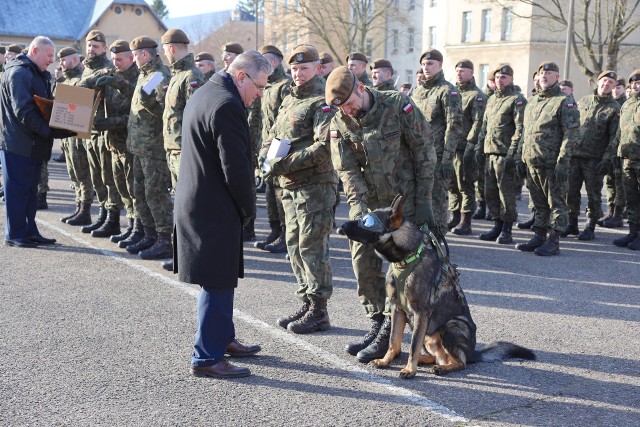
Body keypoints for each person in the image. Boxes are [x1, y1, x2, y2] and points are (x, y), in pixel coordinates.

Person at [326, 66, 436, 362]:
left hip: (405, 206)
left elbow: (424, 150)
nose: (348, 111)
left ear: (360, 88)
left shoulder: (398, 105)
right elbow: (346, 168)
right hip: (371, 204)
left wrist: (425, 200)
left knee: (403, 270)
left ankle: (391, 330)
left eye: (350, 103)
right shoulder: (340, 120)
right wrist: (360, 208)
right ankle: (377, 322)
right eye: (342, 108)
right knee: (362, 262)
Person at [175, 50, 270, 378]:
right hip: (214, 205)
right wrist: (249, 208)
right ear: (241, 76)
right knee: (217, 281)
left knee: (221, 277)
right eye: (259, 87)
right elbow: (235, 168)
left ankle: (223, 338)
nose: (260, 95)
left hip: (200, 199)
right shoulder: (228, 105)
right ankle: (207, 356)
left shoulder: (205, 92)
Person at [262, 44, 337, 334]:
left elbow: (324, 147)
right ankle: (307, 300)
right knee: (293, 245)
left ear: (318, 69)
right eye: (294, 68)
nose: (298, 73)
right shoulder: (290, 99)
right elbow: (273, 135)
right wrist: (266, 158)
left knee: (312, 246)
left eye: (304, 68)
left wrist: (285, 163)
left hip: (314, 186)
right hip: (289, 186)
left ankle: (319, 310)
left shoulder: (323, 102)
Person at [0, 36, 75, 247]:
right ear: (34, 51)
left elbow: (44, 106)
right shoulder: (19, 73)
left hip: (32, 144)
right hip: (18, 144)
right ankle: (15, 234)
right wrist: (50, 132)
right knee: (17, 192)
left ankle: (29, 231)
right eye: (49, 55)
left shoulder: (35, 73)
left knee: (30, 192)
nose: (52, 60)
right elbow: (24, 111)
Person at [516, 62, 579, 256]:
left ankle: (554, 240)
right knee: (538, 202)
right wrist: (521, 156)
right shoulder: (533, 101)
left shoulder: (564, 101)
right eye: (542, 72)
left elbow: (571, 133)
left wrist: (563, 161)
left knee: (556, 202)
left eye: (549, 73)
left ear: (557, 77)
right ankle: (539, 235)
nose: (544, 75)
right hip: (532, 160)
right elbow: (526, 132)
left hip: (552, 163)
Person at [157, 29, 205, 265]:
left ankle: (189, 255)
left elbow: (196, 118)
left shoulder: (191, 76)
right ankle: (182, 254)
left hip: (185, 152)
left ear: (172, 48)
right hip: (173, 150)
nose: (164, 55)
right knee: (179, 203)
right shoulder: (175, 75)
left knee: (187, 206)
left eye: (165, 50)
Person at [123, 36, 173, 258]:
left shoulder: (158, 75)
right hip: (139, 147)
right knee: (140, 193)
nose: (133, 60)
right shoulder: (145, 75)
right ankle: (149, 234)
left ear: (144, 54)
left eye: (134, 56)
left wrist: (148, 102)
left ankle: (164, 239)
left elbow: (165, 112)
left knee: (156, 194)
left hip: (153, 149)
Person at [93, 40, 140, 243]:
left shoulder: (140, 78)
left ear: (131, 58)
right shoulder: (111, 76)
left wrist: (109, 123)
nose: (116, 63)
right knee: (120, 187)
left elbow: (138, 115)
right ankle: (129, 225)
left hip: (132, 144)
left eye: (120, 59)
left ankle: (138, 226)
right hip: (114, 144)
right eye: (113, 59)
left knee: (134, 189)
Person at [412, 49, 464, 234]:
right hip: (417, 156)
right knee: (418, 198)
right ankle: (421, 237)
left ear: (440, 65)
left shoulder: (448, 91)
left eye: (430, 64)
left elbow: (454, 127)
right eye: (424, 64)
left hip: (437, 155)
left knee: (437, 200)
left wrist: (447, 159)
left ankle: (438, 239)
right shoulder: (417, 92)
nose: (426, 67)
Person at [565, 70, 620, 241]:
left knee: (593, 194)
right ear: (598, 82)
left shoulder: (614, 108)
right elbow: (573, 126)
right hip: (575, 155)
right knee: (571, 191)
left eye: (611, 83)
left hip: (595, 158)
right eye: (604, 81)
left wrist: (606, 159)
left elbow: (614, 137)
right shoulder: (584, 100)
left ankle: (590, 226)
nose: (606, 84)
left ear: (614, 86)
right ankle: (572, 223)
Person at [477, 65, 526, 244]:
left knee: (506, 194)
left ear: (511, 79)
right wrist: (479, 148)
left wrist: (513, 153)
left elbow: (520, 128)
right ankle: (497, 224)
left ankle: (507, 229)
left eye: (504, 77)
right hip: (490, 153)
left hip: (505, 154)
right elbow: (485, 126)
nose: (500, 80)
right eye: (497, 77)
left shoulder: (517, 100)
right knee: (490, 192)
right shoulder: (491, 100)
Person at [255, 45, 291, 253]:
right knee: (270, 193)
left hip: (280, 147)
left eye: (264, 61)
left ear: (274, 63)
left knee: (279, 194)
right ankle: (275, 231)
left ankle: (285, 235)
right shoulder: (267, 85)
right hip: (268, 145)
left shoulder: (284, 86)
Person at [56, 47, 95, 226]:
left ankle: (85, 210)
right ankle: (78, 207)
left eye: (64, 60)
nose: (61, 64)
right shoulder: (67, 80)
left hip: (78, 135)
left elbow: (81, 112)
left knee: (82, 174)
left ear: (73, 60)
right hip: (67, 136)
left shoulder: (82, 79)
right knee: (73, 174)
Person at [448, 59, 487, 235]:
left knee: (465, 184)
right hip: (451, 146)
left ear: (472, 73)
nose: (459, 73)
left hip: (465, 148)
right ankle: (455, 216)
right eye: (457, 70)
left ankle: (466, 220)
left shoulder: (476, 95)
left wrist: (471, 145)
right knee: (452, 184)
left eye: (463, 71)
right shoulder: (452, 92)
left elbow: (478, 122)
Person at [611, 69, 640, 250]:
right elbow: (620, 131)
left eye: (639, 82)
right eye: (634, 83)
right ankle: (633, 232)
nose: (636, 85)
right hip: (627, 159)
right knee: (632, 198)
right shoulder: (628, 104)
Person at [599, 77, 629, 228]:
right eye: (614, 87)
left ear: (624, 89)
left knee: (620, 183)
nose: (616, 90)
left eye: (619, 87)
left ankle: (618, 213)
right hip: (610, 148)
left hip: (623, 150)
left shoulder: (625, 104)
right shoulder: (611, 103)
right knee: (610, 182)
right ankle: (610, 211)